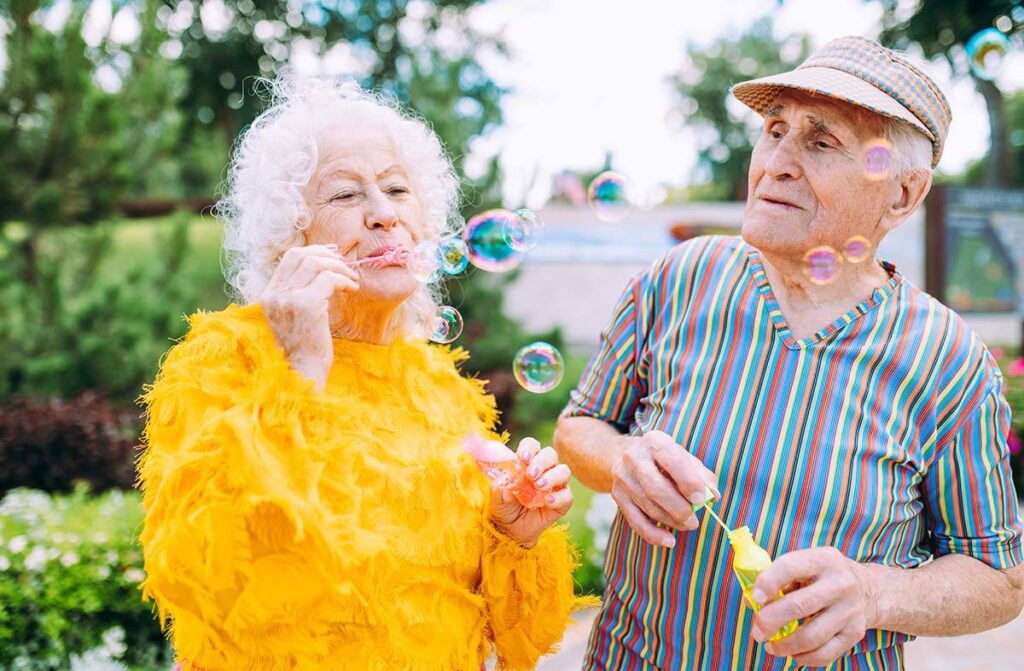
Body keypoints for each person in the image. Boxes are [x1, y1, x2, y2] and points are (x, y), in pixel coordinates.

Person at [555, 36, 1024, 670]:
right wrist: (620, 458)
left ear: (903, 194)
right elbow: (578, 427)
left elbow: (998, 578)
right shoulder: (682, 277)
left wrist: (876, 593)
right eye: (774, 130)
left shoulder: (948, 361)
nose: (776, 161)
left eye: (822, 142)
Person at [136, 77, 595, 671]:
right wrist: (302, 370)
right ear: (289, 233)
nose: (383, 215)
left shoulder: (445, 391)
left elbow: (518, 643)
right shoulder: (224, 359)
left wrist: (516, 534)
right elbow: (211, 576)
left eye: (398, 190)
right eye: (346, 196)